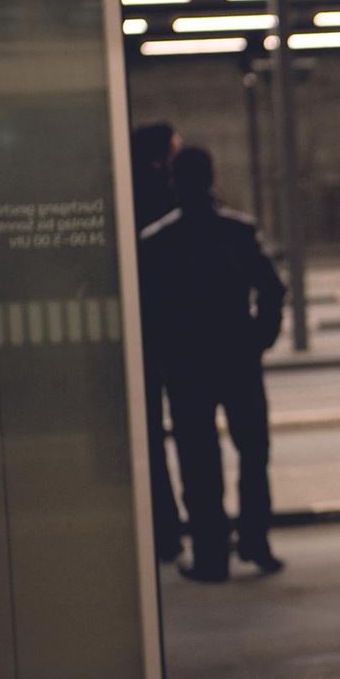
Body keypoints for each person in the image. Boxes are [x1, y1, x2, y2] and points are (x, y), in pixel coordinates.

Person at [139, 145, 287, 584]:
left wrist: (165, 356)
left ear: (173, 183)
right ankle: (256, 542)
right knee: (253, 453)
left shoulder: (157, 241)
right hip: (238, 357)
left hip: (187, 367)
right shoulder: (238, 231)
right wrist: (261, 337)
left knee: (198, 461)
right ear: (212, 177)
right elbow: (272, 290)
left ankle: (211, 554)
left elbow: (149, 311)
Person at [131, 122, 184, 563]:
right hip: (176, 338)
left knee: (150, 437)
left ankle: (165, 530)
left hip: (146, 335)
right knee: (190, 435)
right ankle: (200, 524)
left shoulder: (128, 195)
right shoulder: (170, 199)